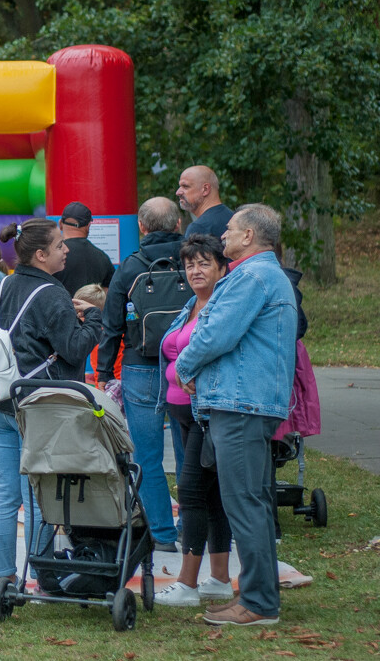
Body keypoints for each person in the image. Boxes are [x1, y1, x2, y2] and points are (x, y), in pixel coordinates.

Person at [176, 204, 297, 627]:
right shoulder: (262, 275)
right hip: (244, 404)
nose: (223, 235)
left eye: (229, 230)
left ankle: (260, 603)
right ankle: (258, 594)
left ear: (248, 237)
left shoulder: (251, 277)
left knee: (244, 503)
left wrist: (185, 366)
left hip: (241, 406)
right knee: (255, 502)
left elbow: (216, 333)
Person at [0, 218, 104, 584]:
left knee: (4, 492)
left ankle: (5, 577)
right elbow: (75, 349)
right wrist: (93, 319)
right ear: (41, 255)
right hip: (36, 406)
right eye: (61, 245)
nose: (66, 250)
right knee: (37, 494)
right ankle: (43, 574)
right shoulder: (52, 294)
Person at [96, 196, 184, 551]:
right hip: (187, 366)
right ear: (178, 225)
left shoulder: (131, 266)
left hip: (141, 365)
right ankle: (197, 531)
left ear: (141, 227)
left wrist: (103, 370)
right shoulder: (198, 260)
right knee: (190, 452)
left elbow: (111, 324)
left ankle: (163, 534)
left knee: (147, 455)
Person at [153, 234, 234, 607]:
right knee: (213, 496)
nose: (195, 270)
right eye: (189, 264)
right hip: (181, 415)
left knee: (190, 493)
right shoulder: (190, 305)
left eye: (204, 263)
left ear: (222, 266)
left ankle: (187, 584)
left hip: (206, 414)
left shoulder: (221, 308)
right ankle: (218, 578)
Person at [53, 201, 114, 295]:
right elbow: (109, 291)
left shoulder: (53, 256)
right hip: (92, 309)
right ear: (88, 226)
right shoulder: (102, 257)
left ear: (60, 224)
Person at [176, 165, 234, 238]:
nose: (178, 192)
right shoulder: (233, 217)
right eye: (180, 187)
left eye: (185, 186)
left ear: (205, 189)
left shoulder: (199, 228)